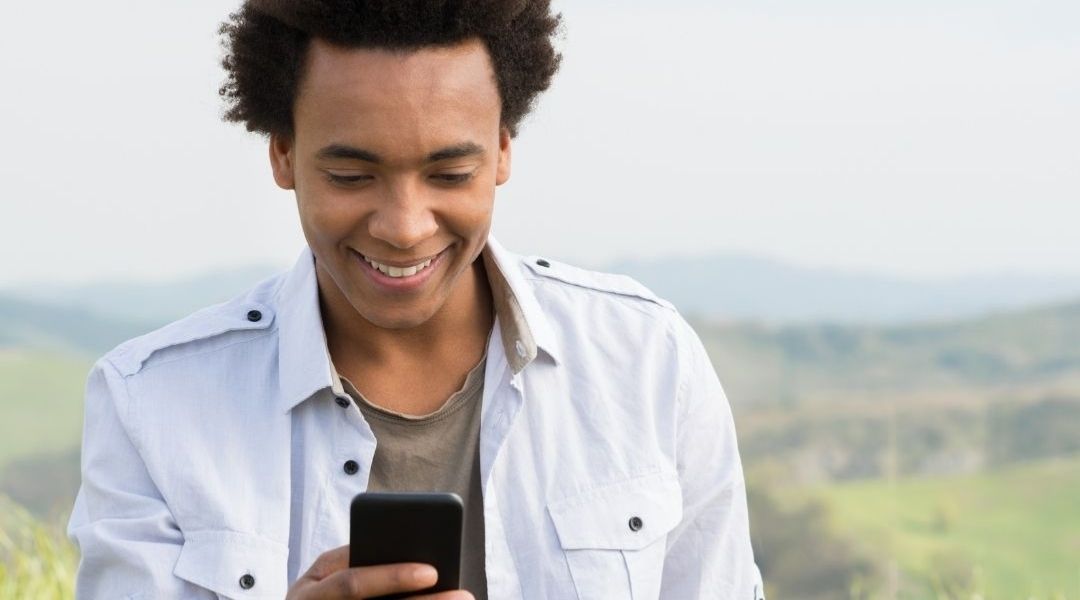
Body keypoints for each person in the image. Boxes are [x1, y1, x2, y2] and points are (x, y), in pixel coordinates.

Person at [67, 1, 764, 598]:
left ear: (501, 152)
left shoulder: (645, 362)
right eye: (350, 174)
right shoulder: (151, 404)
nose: (404, 226)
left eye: (450, 172)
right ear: (282, 153)